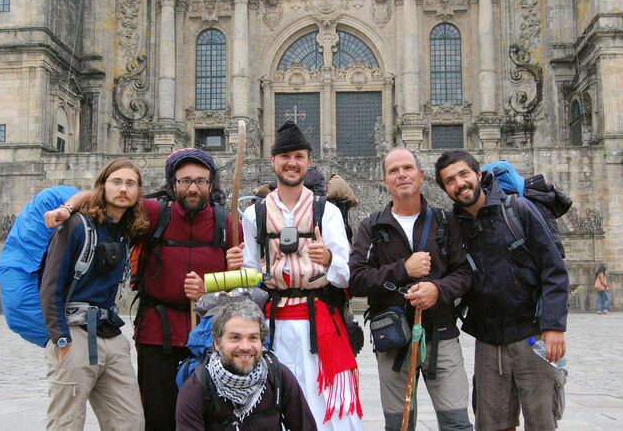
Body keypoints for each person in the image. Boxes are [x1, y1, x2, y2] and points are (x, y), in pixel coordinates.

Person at [44, 148, 242, 431]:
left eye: (201, 181)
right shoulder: (153, 213)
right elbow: (100, 196)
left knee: (209, 417)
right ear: (173, 185)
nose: (193, 188)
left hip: (208, 335)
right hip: (156, 334)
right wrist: (67, 208)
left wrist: (218, 280)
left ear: (212, 185)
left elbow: (244, 284)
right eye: (185, 181)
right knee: (155, 416)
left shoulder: (228, 224)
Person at [225, 121, 362, 430]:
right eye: (285, 156)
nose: (292, 163)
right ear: (272, 161)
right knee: (274, 403)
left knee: (323, 405)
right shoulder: (254, 214)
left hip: (320, 322)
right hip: (272, 323)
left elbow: (346, 275)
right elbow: (249, 276)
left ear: (309, 161)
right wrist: (236, 272)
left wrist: (327, 259)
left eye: (299, 156)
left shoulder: (326, 212)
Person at [434, 150, 569, 431]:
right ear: (445, 189)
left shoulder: (518, 210)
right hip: (488, 340)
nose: (459, 184)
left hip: (533, 335)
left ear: (478, 175)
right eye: (450, 180)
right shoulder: (453, 226)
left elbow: (553, 269)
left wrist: (554, 326)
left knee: (541, 422)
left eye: (463, 175)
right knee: (492, 423)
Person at [349, 147, 473, 431]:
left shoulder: (446, 221)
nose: (401, 175)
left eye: (407, 168)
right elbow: (356, 279)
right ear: (385, 180)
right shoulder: (373, 226)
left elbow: (465, 274)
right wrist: (403, 269)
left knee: (457, 424)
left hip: (441, 336)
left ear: (420, 175)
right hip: (392, 340)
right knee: (399, 426)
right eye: (393, 170)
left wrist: (437, 290)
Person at [39, 158, 148, 430]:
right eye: (117, 182)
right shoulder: (76, 226)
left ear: (138, 191)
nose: (123, 189)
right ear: (103, 186)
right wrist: (61, 340)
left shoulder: (127, 228)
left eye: (130, 183)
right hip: (75, 334)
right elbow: (50, 286)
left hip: (111, 335)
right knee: (67, 423)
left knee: (130, 421)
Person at [175, 298, 317, 430]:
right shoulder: (195, 389)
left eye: (253, 338)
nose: (245, 346)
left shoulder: (278, 376)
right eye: (235, 338)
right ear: (217, 343)